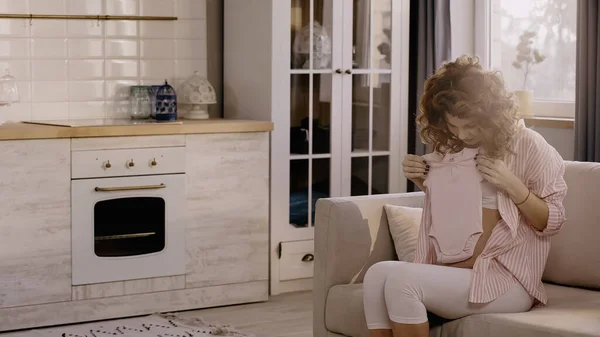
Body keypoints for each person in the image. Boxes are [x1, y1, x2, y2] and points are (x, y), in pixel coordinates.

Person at [363, 54, 567, 337]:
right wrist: (422, 181)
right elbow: (456, 206)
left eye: (471, 126)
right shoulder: (454, 147)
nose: (463, 134)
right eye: (454, 126)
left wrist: (513, 185)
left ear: (491, 114)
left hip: (504, 280)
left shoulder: (530, 146)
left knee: (401, 280)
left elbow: (552, 222)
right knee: (376, 275)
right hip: (456, 270)